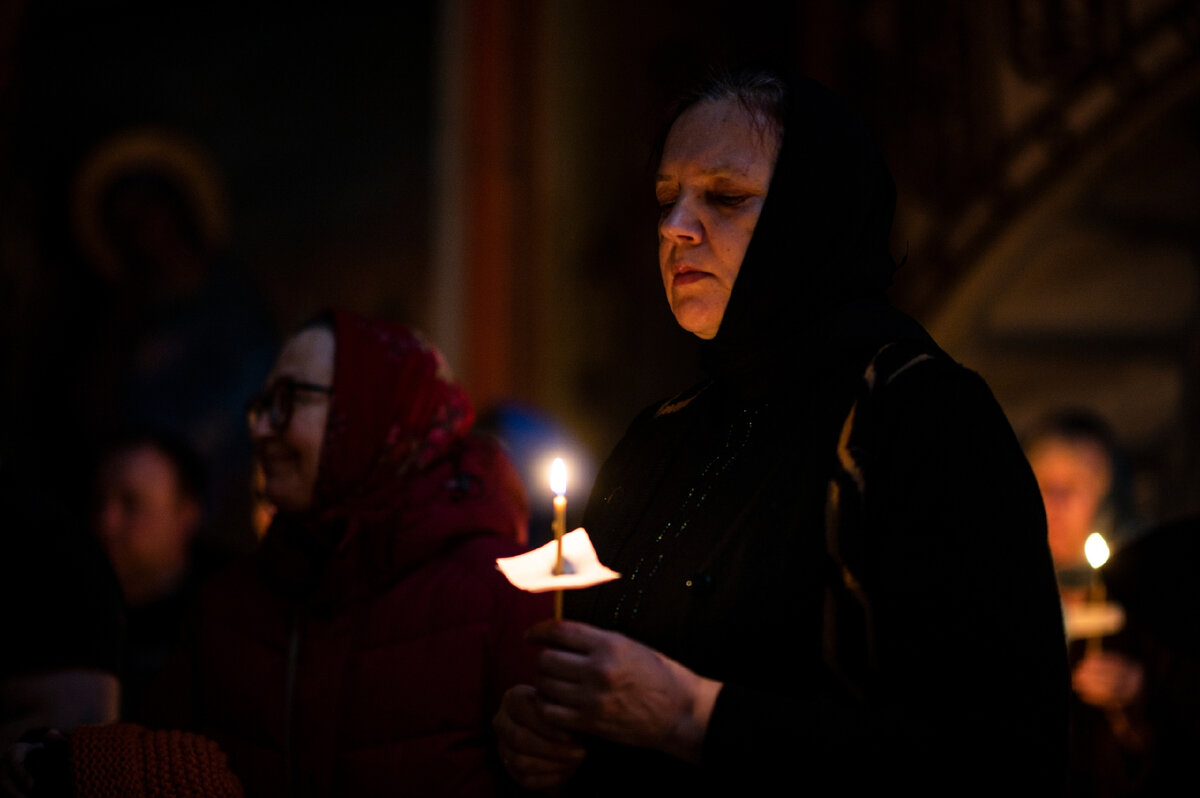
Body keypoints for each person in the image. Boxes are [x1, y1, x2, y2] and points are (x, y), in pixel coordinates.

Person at [493, 68, 1069, 794]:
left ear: (813, 215)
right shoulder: (663, 435)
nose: (676, 228)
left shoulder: (922, 415)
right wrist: (546, 731)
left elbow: (1004, 755)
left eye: (725, 198)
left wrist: (695, 717)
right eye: (666, 198)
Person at [143, 310, 551, 797]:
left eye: (290, 400)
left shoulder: (501, 592)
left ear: (374, 408)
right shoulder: (226, 605)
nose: (260, 430)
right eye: (262, 405)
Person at [90, 430, 230, 722]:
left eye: (131, 504)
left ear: (186, 514)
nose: (107, 522)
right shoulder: (67, 612)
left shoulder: (228, 621)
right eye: (100, 502)